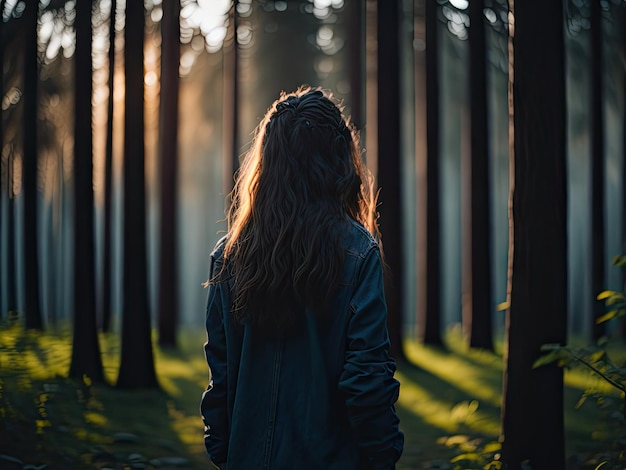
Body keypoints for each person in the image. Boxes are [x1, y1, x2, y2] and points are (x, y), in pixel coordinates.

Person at [200, 86, 403, 470]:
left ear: (268, 161)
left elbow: (220, 378)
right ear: (339, 160)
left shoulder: (229, 256)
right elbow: (367, 381)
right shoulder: (359, 254)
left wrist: (227, 451)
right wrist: (383, 456)